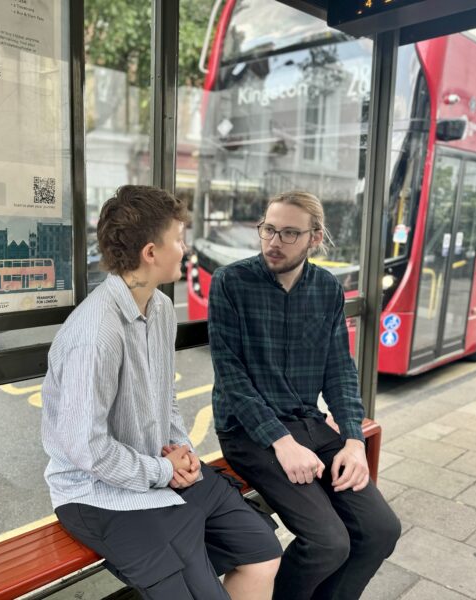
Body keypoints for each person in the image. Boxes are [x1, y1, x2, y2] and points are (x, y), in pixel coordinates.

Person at [42, 185, 282, 600]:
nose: (185, 249)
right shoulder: (96, 333)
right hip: (99, 494)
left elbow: (164, 397)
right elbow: (86, 449)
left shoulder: (161, 309)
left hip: (161, 469)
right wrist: (164, 472)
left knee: (262, 549)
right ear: (151, 252)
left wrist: (182, 452)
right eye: (179, 239)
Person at [208, 191, 401, 600]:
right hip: (250, 431)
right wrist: (282, 443)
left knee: (381, 530)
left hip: (311, 424)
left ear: (315, 238)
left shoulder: (328, 289)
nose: (274, 242)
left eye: (290, 233)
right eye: (268, 229)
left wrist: (352, 440)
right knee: (328, 543)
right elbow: (231, 377)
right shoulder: (231, 283)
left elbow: (340, 370)